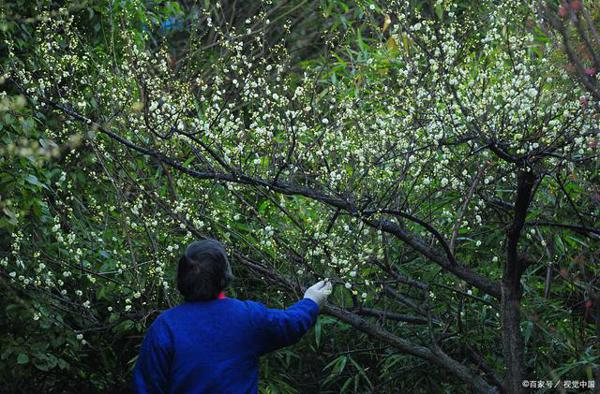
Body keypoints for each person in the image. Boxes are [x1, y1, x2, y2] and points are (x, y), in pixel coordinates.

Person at [133, 239, 333, 394]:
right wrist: (311, 301)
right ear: (223, 276)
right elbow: (290, 324)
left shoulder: (164, 326)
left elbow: (147, 387)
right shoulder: (247, 317)